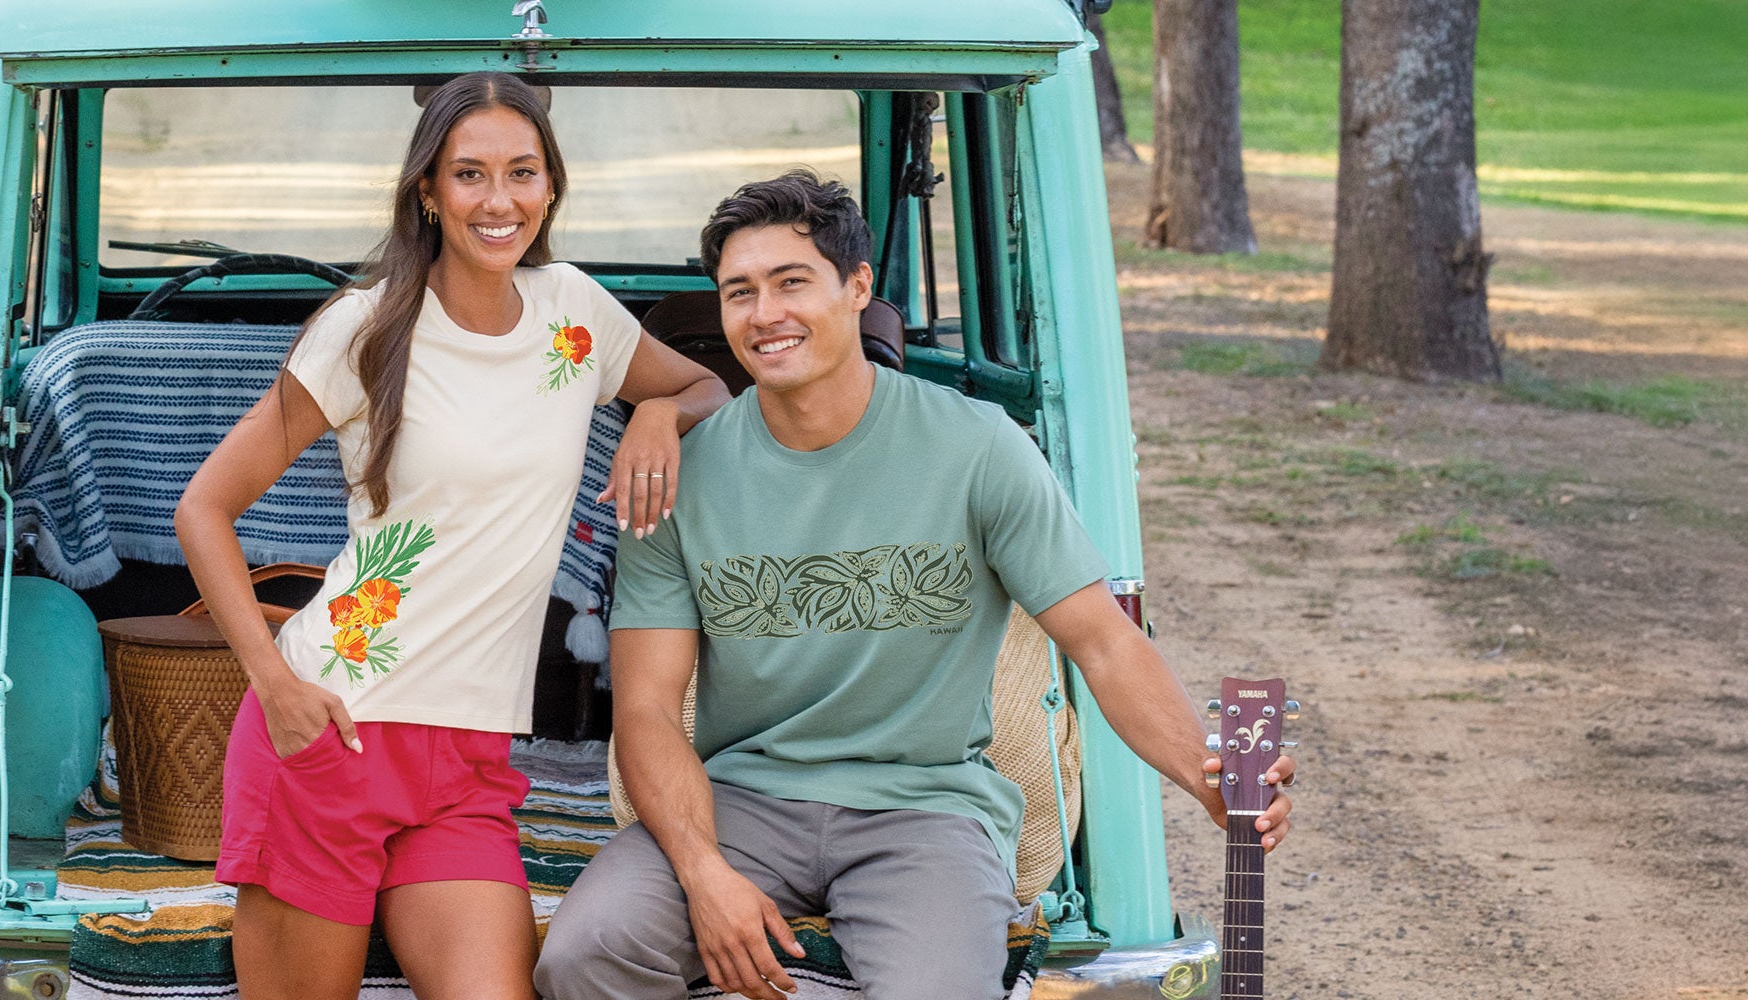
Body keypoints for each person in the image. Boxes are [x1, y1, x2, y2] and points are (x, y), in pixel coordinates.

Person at [534, 170, 1296, 1000]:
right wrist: (704, 871)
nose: (764, 315)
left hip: (927, 809)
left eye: (792, 283)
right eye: (739, 293)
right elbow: (646, 709)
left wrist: (1206, 774)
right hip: (742, 801)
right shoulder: (680, 478)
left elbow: (1104, 642)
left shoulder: (975, 448)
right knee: (585, 954)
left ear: (858, 287)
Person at [174, 73, 729, 1000]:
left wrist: (654, 415)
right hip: (333, 734)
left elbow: (708, 389)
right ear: (427, 190)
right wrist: (273, 683)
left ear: (551, 185)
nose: (498, 199)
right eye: (469, 175)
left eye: (522, 172)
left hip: (470, 760)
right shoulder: (368, 326)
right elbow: (205, 507)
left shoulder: (576, 317)